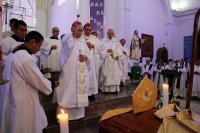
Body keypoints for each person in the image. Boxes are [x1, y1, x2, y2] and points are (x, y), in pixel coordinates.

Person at [0, 31, 59, 133]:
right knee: (24, 125)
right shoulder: (24, 57)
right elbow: (36, 79)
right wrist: (53, 84)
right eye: (39, 45)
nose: (39, 48)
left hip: (14, 94)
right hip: (22, 98)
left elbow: (27, 74)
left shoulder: (16, 52)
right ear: (32, 42)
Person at [56, 21, 90, 121]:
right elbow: (66, 44)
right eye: (77, 30)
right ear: (72, 29)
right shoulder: (68, 37)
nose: (79, 32)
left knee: (79, 92)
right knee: (68, 92)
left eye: (80, 30)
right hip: (69, 71)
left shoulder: (82, 40)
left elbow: (87, 52)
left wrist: (85, 57)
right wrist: (72, 34)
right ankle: (65, 115)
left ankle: (78, 115)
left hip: (81, 71)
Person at [82, 22, 103, 101]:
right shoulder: (80, 37)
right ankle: (83, 93)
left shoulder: (94, 38)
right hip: (82, 62)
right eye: (86, 29)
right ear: (83, 29)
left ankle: (91, 94)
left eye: (89, 30)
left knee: (92, 76)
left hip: (92, 62)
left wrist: (93, 46)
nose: (88, 31)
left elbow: (100, 47)